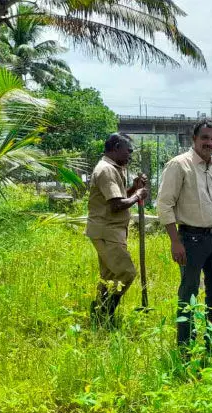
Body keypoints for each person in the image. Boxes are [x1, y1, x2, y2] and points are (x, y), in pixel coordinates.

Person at [157, 120, 212, 347]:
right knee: (189, 293)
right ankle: (185, 345)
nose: (210, 143)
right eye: (205, 138)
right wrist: (175, 242)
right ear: (194, 138)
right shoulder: (179, 165)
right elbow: (164, 205)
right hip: (191, 239)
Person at [85, 133, 149, 327]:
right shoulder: (106, 170)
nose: (130, 155)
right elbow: (115, 205)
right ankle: (105, 312)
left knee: (109, 276)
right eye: (128, 150)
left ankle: (99, 315)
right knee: (126, 273)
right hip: (107, 231)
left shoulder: (114, 168)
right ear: (115, 147)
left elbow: (117, 197)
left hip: (110, 231)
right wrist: (137, 195)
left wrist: (133, 189)